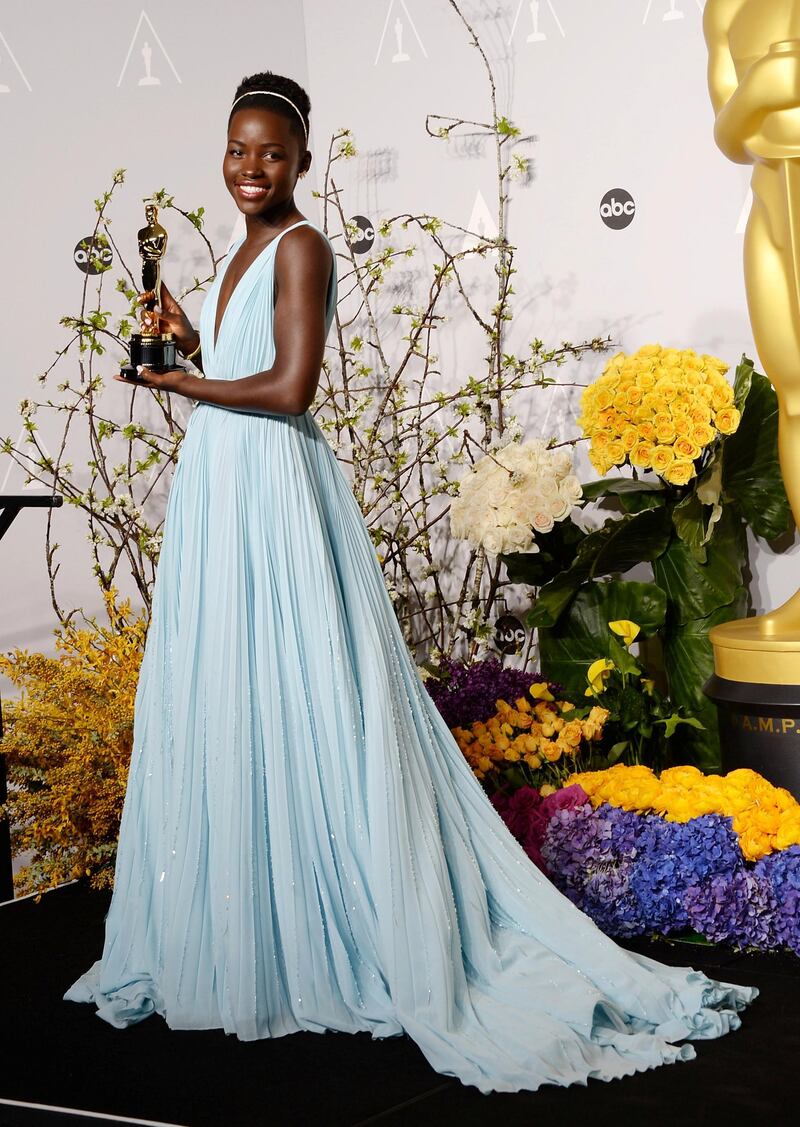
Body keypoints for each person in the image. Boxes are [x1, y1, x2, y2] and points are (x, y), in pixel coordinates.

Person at [64, 71, 757, 1094]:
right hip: (224, 488)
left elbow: (290, 391)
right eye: (236, 149)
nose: (250, 169)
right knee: (241, 696)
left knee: (308, 696)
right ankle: (260, 926)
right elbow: (248, 364)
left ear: (303, 161)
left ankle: (344, 923)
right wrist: (194, 339)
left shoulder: (301, 244)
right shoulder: (241, 250)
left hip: (276, 491)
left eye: (270, 153)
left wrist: (178, 379)